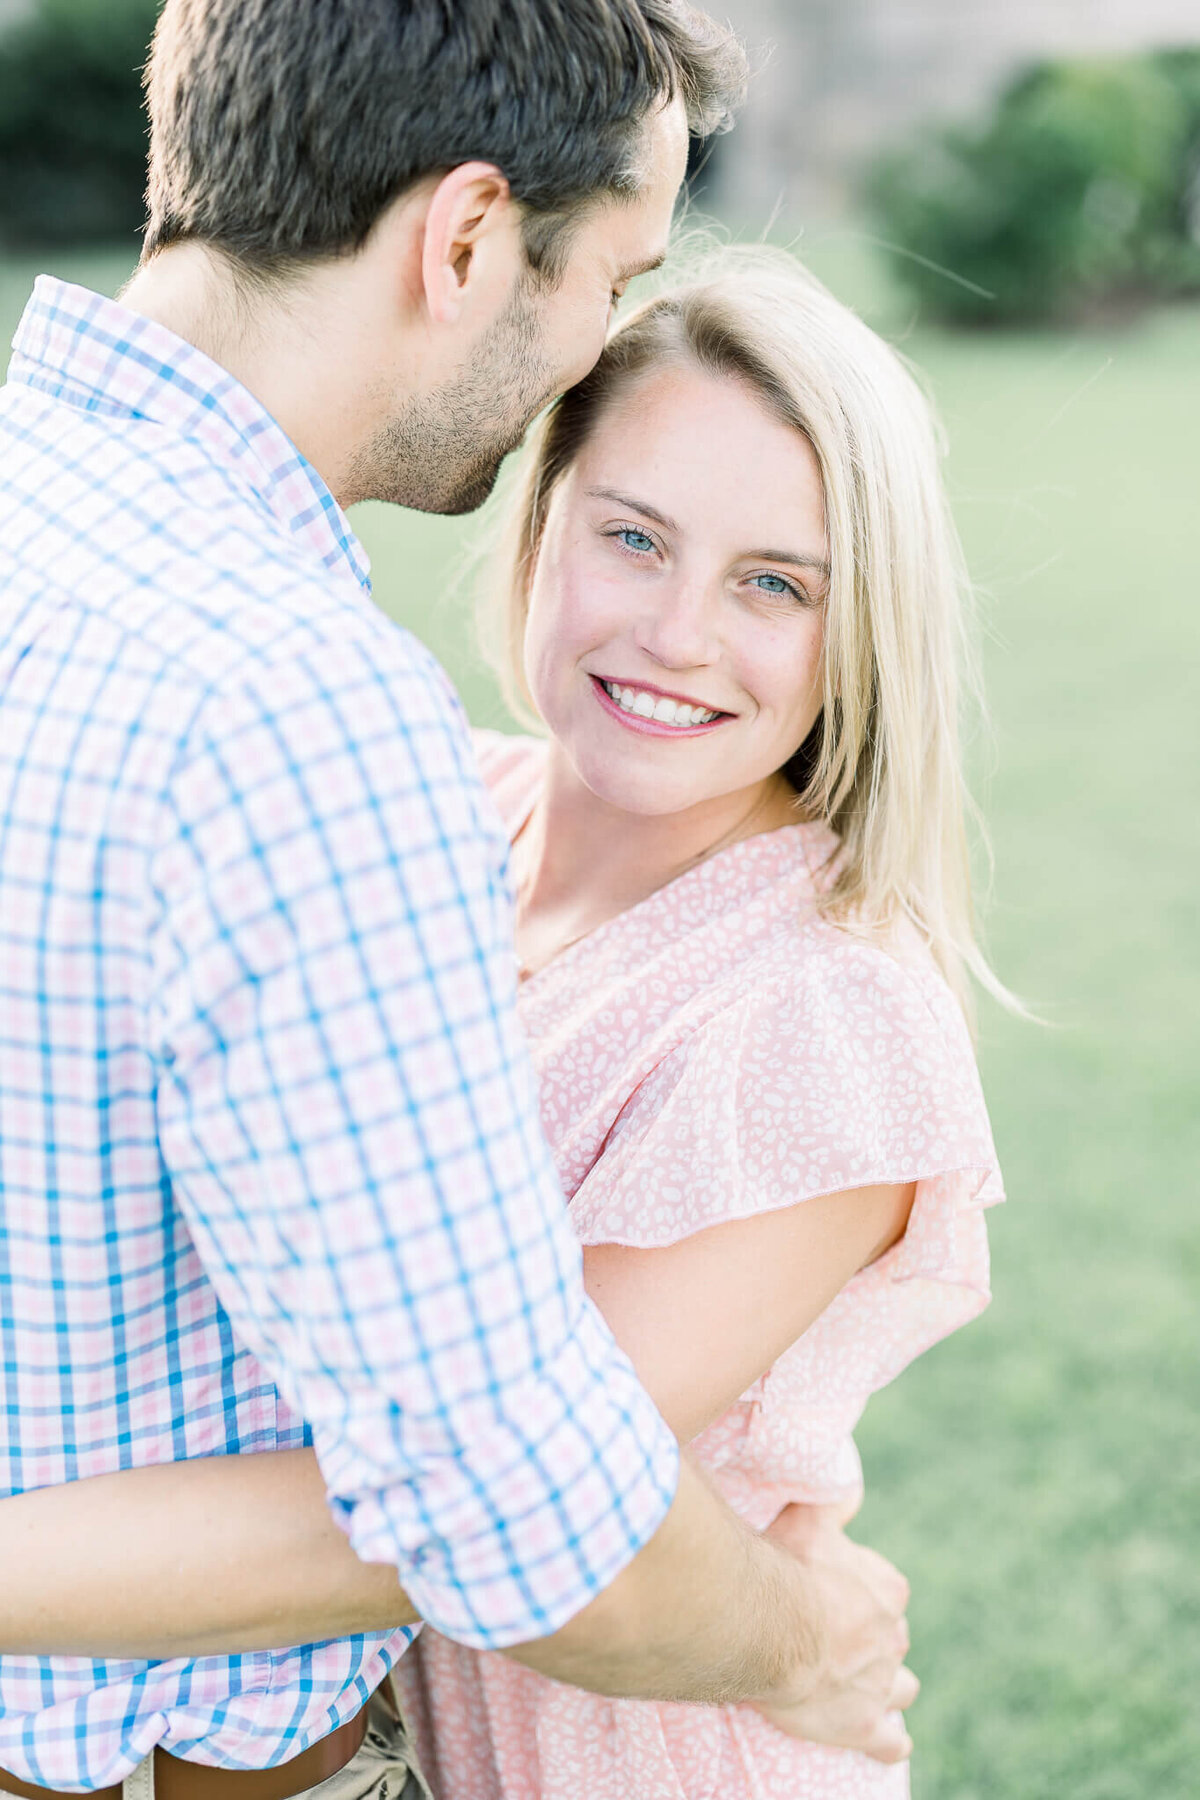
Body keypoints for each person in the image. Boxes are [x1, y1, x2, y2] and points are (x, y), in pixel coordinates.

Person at [0, 4, 917, 1800]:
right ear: (469, 237)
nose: (591, 338)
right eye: (612, 274)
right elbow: (502, 1490)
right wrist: (810, 1639)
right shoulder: (303, 708)